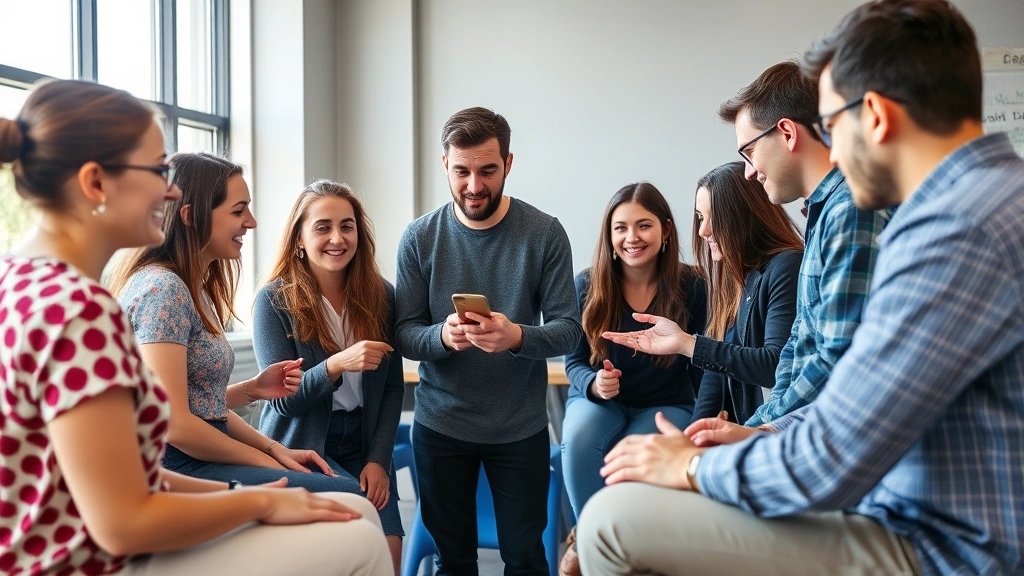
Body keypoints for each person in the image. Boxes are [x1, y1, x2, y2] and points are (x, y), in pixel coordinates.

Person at [576, 1, 1024, 574]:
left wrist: (690, 467)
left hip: (942, 544)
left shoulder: (954, 230)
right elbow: (851, 408)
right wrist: (754, 436)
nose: (830, 150)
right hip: (913, 507)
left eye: (833, 126)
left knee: (609, 522)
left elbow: (836, 449)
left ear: (877, 118)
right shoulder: (982, 202)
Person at [0, 79, 389, 575]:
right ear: (96, 183)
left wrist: (247, 487)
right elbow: (122, 520)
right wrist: (261, 501)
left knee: (351, 510)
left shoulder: (24, 280)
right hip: (87, 559)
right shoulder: (81, 310)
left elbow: (134, 468)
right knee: (359, 534)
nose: (172, 189)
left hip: (65, 540)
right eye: (159, 169)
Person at [108, 153, 377, 498]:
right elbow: (176, 424)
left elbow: (203, 408)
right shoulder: (163, 290)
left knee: (349, 493)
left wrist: (272, 446)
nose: (251, 222)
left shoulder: (193, 289)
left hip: (197, 456)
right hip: (178, 465)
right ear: (191, 216)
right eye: (238, 211)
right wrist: (265, 461)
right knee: (349, 498)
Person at [395, 107, 583, 575]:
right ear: (445, 165)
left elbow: (568, 328)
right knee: (452, 561)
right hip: (441, 426)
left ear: (509, 163)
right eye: (461, 172)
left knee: (524, 557)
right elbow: (403, 332)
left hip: (519, 427)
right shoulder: (419, 238)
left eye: (487, 171)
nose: (474, 186)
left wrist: (516, 335)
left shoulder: (544, 233)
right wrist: (441, 335)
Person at [719, 59, 892, 427]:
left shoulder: (853, 210)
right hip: (800, 423)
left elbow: (836, 357)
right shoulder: (822, 212)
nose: (748, 172)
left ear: (786, 132)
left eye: (748, 152)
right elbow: (798, 344)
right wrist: (762, 421)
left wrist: (758, 430)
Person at [253, 180, 405, 573]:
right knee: (353, 539)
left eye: (347, 226)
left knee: (388, 551)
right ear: (299, 238)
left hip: (364, 441)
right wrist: (337, 364)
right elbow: (284, 400)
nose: (337, 238)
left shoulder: (382, 296)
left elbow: (391, 388)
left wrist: (378, 461)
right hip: (303, 444)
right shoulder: (273, 301)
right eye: (322, 227)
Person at [558, 182, 706, 576]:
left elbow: (702, 363)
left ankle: (607, 544)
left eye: (644, 226)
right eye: (620, 228)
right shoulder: (587, 284)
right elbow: (573, 362)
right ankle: (588, 538)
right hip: (600, 400)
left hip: (668, 403)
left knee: (630, 455)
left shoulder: (694, 286)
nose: (631, 237)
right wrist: (593, 384)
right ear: (609, 235)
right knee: (580, 440)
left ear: (666, 231)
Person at [605, 162, 803, 425]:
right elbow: (715, 373)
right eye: (700, 217)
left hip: (778, 432)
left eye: (713, 218)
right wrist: (692, 438)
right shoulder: (734, 278)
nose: (703, 231)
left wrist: (686, 344)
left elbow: (776, 366)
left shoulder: (786, 265)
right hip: (754, 429)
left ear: (744, 215)